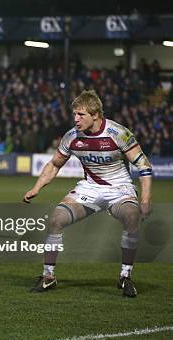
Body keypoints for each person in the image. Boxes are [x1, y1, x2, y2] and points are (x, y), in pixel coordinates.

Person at [23, 90, 152, 298]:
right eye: (74, 114)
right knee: (56, 218)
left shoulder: (118, 133)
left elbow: (144, 166)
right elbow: (55, 164)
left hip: (119, 190)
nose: (76, 119)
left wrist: (145, 201)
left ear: (95, 114)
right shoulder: (72, 136)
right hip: (89, 189)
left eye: (81, 115)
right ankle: (48, 277)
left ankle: (125, 276)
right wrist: (37, 188)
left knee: (131, 215)